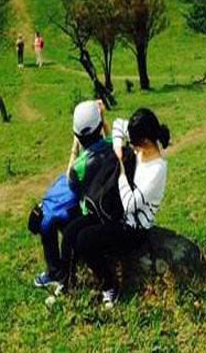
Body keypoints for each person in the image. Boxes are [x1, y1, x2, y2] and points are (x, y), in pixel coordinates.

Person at [57, 108, 170, 308]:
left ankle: (110, 286)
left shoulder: (158, 169)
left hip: (133, 228)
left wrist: (121, 172)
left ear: (144, 141)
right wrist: (118, 146)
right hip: (115, 213)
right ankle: (66, 281)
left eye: (134, 145)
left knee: (85, 240)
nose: (132, 148)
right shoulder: (142, 143)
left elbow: (131, 204)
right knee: (71, 231)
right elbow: (118, 124)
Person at [33, 100, 111, 289]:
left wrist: (74, 147)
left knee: (48, 216)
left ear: (77, 134)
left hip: (90, 211)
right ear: (100, 127)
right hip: (108, 205)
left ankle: (56, 272)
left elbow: (71, 181)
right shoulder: (113, 148)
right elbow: (110, 139)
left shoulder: (80, 165)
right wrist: (103, 119)